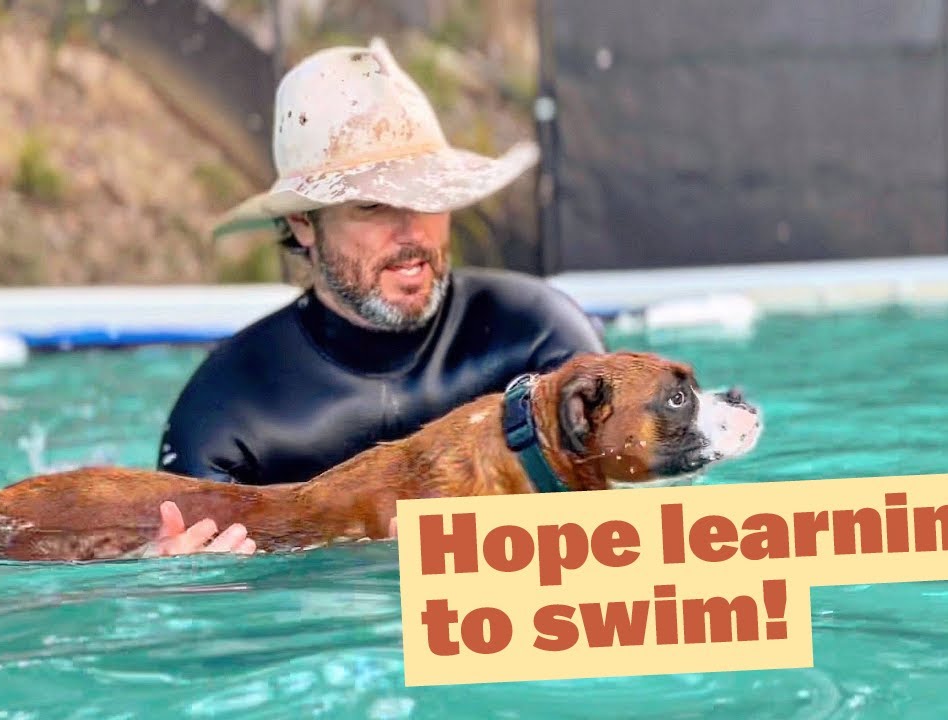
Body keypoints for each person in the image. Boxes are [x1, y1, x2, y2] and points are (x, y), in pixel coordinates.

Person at [144, 38, 605, 556]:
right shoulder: (227, 412)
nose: (412, 230)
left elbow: (625, 533)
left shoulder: (538, 336)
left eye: (429, 196)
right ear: (303, 223)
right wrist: (186, 574)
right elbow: (190, 591)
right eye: (372, 205)